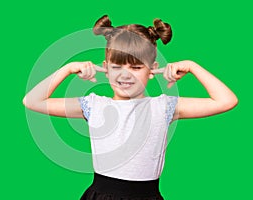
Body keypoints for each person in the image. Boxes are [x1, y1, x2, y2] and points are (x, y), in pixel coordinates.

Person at [23, 15, 238, 200]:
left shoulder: (163, 106)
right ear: (105, 69)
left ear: (152, 70)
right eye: (117, 67)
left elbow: (226, 101)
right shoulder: (93, 105)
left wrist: (192, 66)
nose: (125, 75)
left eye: (136, 67)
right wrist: (67, 69)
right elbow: (32, 101)